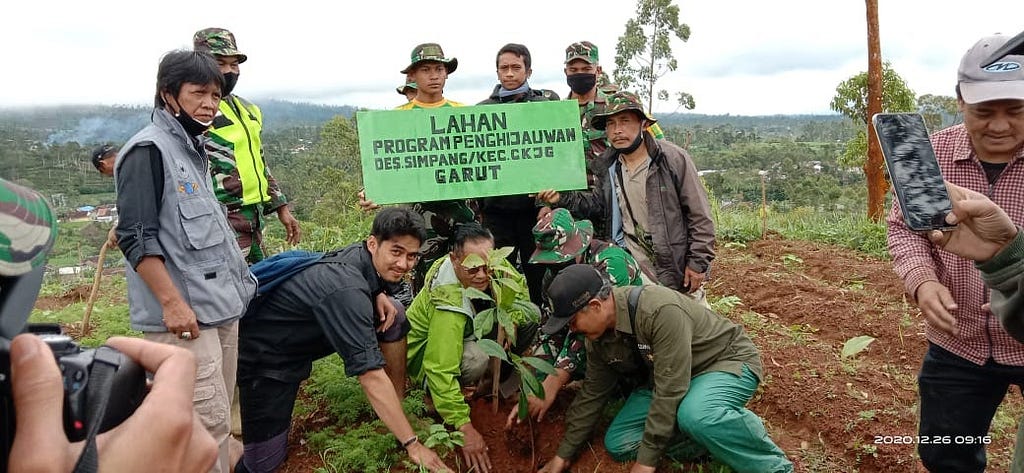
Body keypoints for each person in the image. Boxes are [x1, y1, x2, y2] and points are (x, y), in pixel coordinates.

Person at [886, 33, 1024, 472]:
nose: (1000, 126)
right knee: (948, 453)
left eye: (1016, 111)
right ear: (961, 102)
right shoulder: (928, 155)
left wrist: (1011, 280)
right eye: (985, 112)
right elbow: (904, 227)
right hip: (957, 340)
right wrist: (922, 281)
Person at [113, 49, 255, 473]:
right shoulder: (147, 150)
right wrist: (171, 303)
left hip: (218, 309)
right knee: (198, 427)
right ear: (168, 95)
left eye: (215, 95)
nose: (210, 104)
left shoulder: (192, 150)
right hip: (184, 321)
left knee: (219, 424)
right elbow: (135, 236)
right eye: (199, 93)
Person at [236, 207, 451, 473]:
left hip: (299, 339)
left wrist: (377, 293)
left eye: (411, 256)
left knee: (393, 312)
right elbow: (370, 375)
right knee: (263, 464)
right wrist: (412, 444)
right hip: (265, 360)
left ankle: (394, 407)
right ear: (373, 243)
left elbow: (362, 277)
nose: (404, 264)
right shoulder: (346, 291)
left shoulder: (359, 257)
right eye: (396, 252)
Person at [536, 264, 793, 473]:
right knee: (619, 442)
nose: (572, 331)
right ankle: (712, 434)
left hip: (722, 362)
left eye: (571, 322)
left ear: (594, 306)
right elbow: (593, 394)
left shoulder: (658, 310)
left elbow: (670, 390)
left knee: (696, 415)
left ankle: (771, 463)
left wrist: (646, 462)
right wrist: (563, 455)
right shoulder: (597, 337)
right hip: (671, 377)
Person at [537, 91, 715, 298]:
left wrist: (697, 263)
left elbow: (700, 215)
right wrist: (561, 198)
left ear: (643, 124)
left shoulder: (671, 160)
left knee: (688, 320)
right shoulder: (609, 165)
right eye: (611, 124)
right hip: (632, 260)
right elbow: (597, 205)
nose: (617, 130)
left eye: (625, 121)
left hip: (673, 263)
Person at [405, 223, 539, 473]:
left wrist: (512, 321)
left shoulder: (493, 264)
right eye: (472, 268)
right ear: (454, 260)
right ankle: (437, 399)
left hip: (473, 331)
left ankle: (494, 383)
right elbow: (439, 368)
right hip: (426, 359)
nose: (482, 275)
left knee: (529, 317)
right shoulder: (448, 300)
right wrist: (464, 426)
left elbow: (519, 290)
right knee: (477, 357)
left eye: (487, 266)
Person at [505, 208, 642, 427]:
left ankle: (624, 386)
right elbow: (550, 329)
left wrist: (555, 380)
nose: (554, 267)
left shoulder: (609, 263)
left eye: (560, 260)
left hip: (630, 338)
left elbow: (589, 326)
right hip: (593, 338)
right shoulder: (554, 277)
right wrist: (536, 384)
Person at [361, 43, 477, 292]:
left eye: (439, 69)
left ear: (446, 73)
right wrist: (373, 191)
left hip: (463, 210)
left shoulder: (464, 114)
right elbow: (386, 165)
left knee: (472, 276)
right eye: (426, 69)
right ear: (412, 75)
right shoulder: (397, 118)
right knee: (425, 284)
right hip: (419, 216)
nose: (434, 75)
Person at [193, 27, 301, 263]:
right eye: (220, 62)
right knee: (229, 289)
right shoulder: (192, 110)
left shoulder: (248, 110)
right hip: (218, 218)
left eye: (234, 64)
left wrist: (281, 207)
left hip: (252, 217)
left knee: (256, 286)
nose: (228, 71)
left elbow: (259, 161)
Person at [476, 43, 558, 305]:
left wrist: (547, 203)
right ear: (497, 72)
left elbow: (556, 157)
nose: (509, 74)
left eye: (516, 68)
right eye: (504, 68)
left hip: (534, 211)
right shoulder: (481, 111)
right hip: (496, 212)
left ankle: (544, 329)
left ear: (528, 71)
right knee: (499, 276)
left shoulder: (546, 107)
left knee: (539, 275)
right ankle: (503, 333)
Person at [928, 181, 1023, 336]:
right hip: (953, 339)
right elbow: (903, 230)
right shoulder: (936, 158)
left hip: (1016, 354)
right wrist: (923, 279)